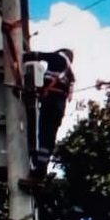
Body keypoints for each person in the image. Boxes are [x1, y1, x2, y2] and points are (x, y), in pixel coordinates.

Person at [23, 48, 75, 178]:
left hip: (51, 101)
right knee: (49, 137)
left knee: (44, 133)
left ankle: (39, 164)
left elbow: (41, 55)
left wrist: (23, 56)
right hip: (59, 106)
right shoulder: (70, 75)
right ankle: (41, 166)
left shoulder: (59, 58)